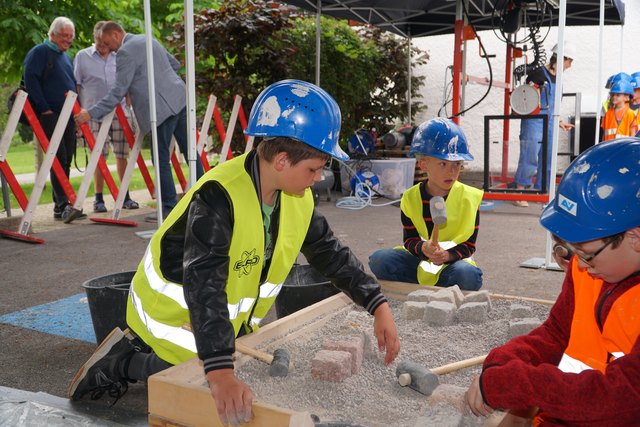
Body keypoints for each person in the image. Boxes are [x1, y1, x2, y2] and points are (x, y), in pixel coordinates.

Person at [68, 80, 401, 425]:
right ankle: (122, 362)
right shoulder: (217, 196)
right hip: (171, 316)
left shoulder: (297, 196)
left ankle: (209, 358)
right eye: (314, 169)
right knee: (201, 385)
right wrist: (219, 372)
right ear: (283, 161)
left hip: (222, 320)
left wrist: (376, 303)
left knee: (232, 375)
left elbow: (329, 252)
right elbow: (204, 283)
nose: (318, 178)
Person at [466, 138, 640, 425]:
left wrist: (523, 384)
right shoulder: (588, 268)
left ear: (634, 237)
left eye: (586, 255)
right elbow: (558, 333)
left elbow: (625, 398)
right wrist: (508, 358)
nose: (579, 266)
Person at [74, 21, 203, 220]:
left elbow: (118, 90)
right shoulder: (147, 38)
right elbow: (174, 65)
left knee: (160, 160)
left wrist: (91, 113)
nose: (106, 47)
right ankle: (206, 200)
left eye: (106, 41)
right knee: (190, 153)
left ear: (116, 34)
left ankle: (167, 209)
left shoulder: (125, 52)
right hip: (179, 98)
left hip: (160, 109)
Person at [368, 118, 483, 291]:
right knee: (379, 260)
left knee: (468, 275)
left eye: (457, 164)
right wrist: (423, 248)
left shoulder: (470, 198)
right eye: (443, 163)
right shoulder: (410, 197)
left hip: (452, 265)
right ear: (423, 165)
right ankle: (435, 289)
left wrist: (447, 255)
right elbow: (409, 240)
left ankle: (430, 288)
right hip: (419, 261)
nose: (451, 171)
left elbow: (469, 245)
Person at [73, 21, 139, 214]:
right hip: (92, 113)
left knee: (122, 154)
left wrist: (130, 104)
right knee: (98, 156)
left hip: (119, 112)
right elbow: (76, 86)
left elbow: (127, 84)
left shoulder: (120, 56)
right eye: (100, 42)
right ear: (95, 38)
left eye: (106, 42)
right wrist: (77, 118)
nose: (104, 46)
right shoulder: (82, 56)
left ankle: (125, 196)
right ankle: (98, 199)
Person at [23, 17, 80, 221]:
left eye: (70, 37)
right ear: (53, 34)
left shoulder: (65, 57)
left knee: (66, 160)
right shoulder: (40, 52)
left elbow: (72, 84)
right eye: (64, 36)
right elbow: (30, 79)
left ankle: (60, 206)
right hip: (51, 115)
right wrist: (44, 109)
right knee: (58, 159)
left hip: (68, 116)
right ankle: (64, 205)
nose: (68, 40)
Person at [512, 42, 576, 207]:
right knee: (530, 153)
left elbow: (553, 104)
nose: (570, 66)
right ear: (562, 58)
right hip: (534, 121)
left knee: (548, 156)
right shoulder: (538, 75)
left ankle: (542, 191)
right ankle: (521, 191)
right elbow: (526, 99)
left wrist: (559, 121)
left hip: (551, 121)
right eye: (569, 62)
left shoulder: (558, 78)